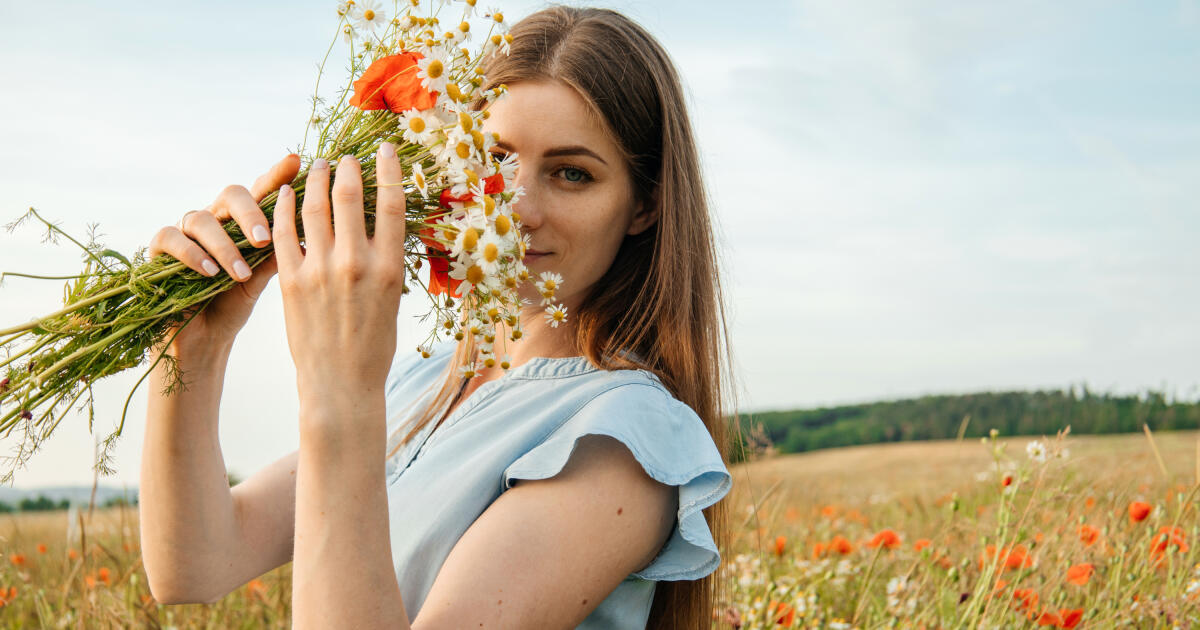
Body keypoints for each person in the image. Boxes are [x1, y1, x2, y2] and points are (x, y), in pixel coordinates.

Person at [138, 5, 736, 629]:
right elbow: (195, 562)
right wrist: (191, 351)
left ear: (644, 206)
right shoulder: (420, 386)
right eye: (494, 157)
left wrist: (339, 389)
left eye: (571, 174)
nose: (518, 207)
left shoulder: (623, 439)